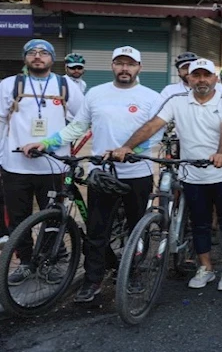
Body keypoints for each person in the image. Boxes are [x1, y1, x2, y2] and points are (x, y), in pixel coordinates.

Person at [23, 46, 162, 302]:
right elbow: (77, 126)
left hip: (136, 172)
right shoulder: (96, 94)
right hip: (100, 173)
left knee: (135, 227)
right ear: (112, 66)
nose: (124, 68)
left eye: (130, 64)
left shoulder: (151, 97)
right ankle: (93, 280)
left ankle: (134, 273)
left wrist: (130, 149)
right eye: (119, 63)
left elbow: (156, 133)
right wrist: (46, 143)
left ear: (139, 68)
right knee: (97, 231)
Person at [113, 58, 222, 291]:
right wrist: (127, 146)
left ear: (214, 79)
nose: (201, 80)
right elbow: (153, 125)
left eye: (206, 75)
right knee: (199, 223)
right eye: (196, 76)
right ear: (189, 79)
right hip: (191, 172)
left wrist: (221, 153)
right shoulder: (177, 100)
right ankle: (206, 267)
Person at [0, 39, 84, 285]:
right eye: (32, 52)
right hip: (15, 166)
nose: (38, 56)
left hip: (53, 165)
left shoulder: (66, 85)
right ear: (25, 58)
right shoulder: (8, 85)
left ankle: (49, 261)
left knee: (52, 216)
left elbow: (82, 119)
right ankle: (25, 262)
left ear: (52, 58)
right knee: (18, 218)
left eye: (44, 52)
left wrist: (63, 144)